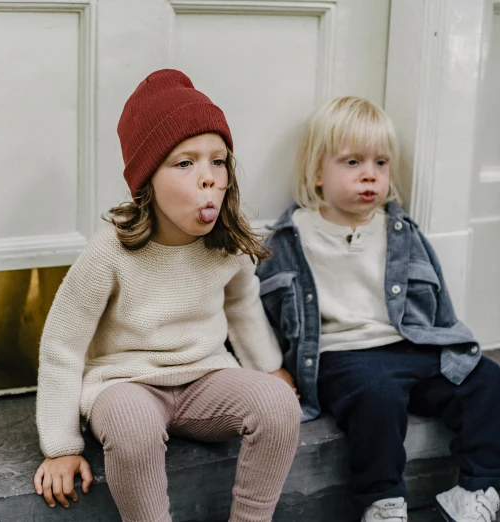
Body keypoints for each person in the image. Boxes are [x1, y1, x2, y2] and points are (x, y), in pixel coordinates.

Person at [33, 69, 302, 522]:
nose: (209, 178)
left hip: (206, 379)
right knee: (134, 427)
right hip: (124, 385)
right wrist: (60, 446)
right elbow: (63, 343)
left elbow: (241, 303)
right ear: (147, 181)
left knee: (279, 405)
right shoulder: (111, 251)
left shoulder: (227, 244)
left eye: (218, 161)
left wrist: (269, 369)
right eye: (185, 163)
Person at [257, 96, 500, 522]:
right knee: (377, 395)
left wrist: (453, 350)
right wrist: (269, 370)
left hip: (411, 345)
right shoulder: (293, 237)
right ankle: (384, 500)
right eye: (352, 162)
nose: (369, 175)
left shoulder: (398, 229)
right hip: (344, 358)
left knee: (485, 379)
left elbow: (436, 300)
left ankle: (476, 488)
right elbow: (260, 307)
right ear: (317, 173)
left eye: (380, 163)